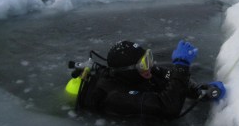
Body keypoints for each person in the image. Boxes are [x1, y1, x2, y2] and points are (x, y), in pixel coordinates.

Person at [67, 40, 226, 120]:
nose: (150, 66)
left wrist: (199, 91)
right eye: (144, 63)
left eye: (148, 58)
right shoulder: (115, 95)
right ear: (128, 71)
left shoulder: (143, 72)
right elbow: (167, 108)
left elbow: (170, 78)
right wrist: (182, 66)